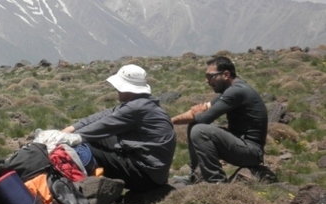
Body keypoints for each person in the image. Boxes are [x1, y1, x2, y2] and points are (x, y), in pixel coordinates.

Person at [61, 64, 176, 192]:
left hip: (147, 176)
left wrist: (67, 138)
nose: (117, 89)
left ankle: (81, 189)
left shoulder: (136, 108)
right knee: (91, 139)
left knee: (86, 145)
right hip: (154, 171)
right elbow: (105, 115)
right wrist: (72, 128)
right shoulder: (143, 102)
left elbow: (101, 127)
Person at [171, 56, 268, 183]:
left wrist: (198, 113)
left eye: (210, 76)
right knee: (194, 126)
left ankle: (216, 182)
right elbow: (201, 112)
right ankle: (196, 176)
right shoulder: (230, 90)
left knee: (200, 130)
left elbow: (204, 118)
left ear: (226, 74)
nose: (207, 81)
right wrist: (170, 121)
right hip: (241, 145)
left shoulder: (236, 91)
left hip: (251, 151)